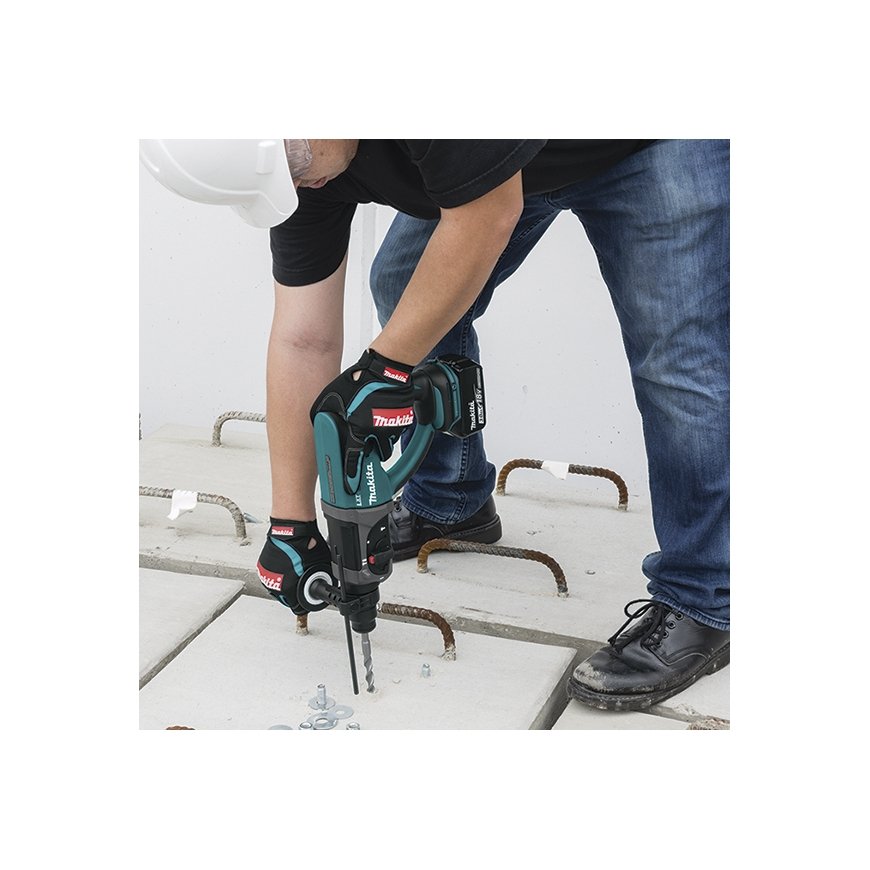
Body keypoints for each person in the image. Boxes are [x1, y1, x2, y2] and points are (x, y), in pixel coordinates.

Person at [140, 139, 730, 713]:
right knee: (407, 290)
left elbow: (487, 214)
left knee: (679, 362)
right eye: (280, 178)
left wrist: (383, 370)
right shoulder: (299, 168)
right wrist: (291, 523)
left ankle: (703, 597)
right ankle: (450, 501)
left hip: (647, 144)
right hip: (500, 156)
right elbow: (303, 339)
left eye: (293, 164)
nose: (297, 181)